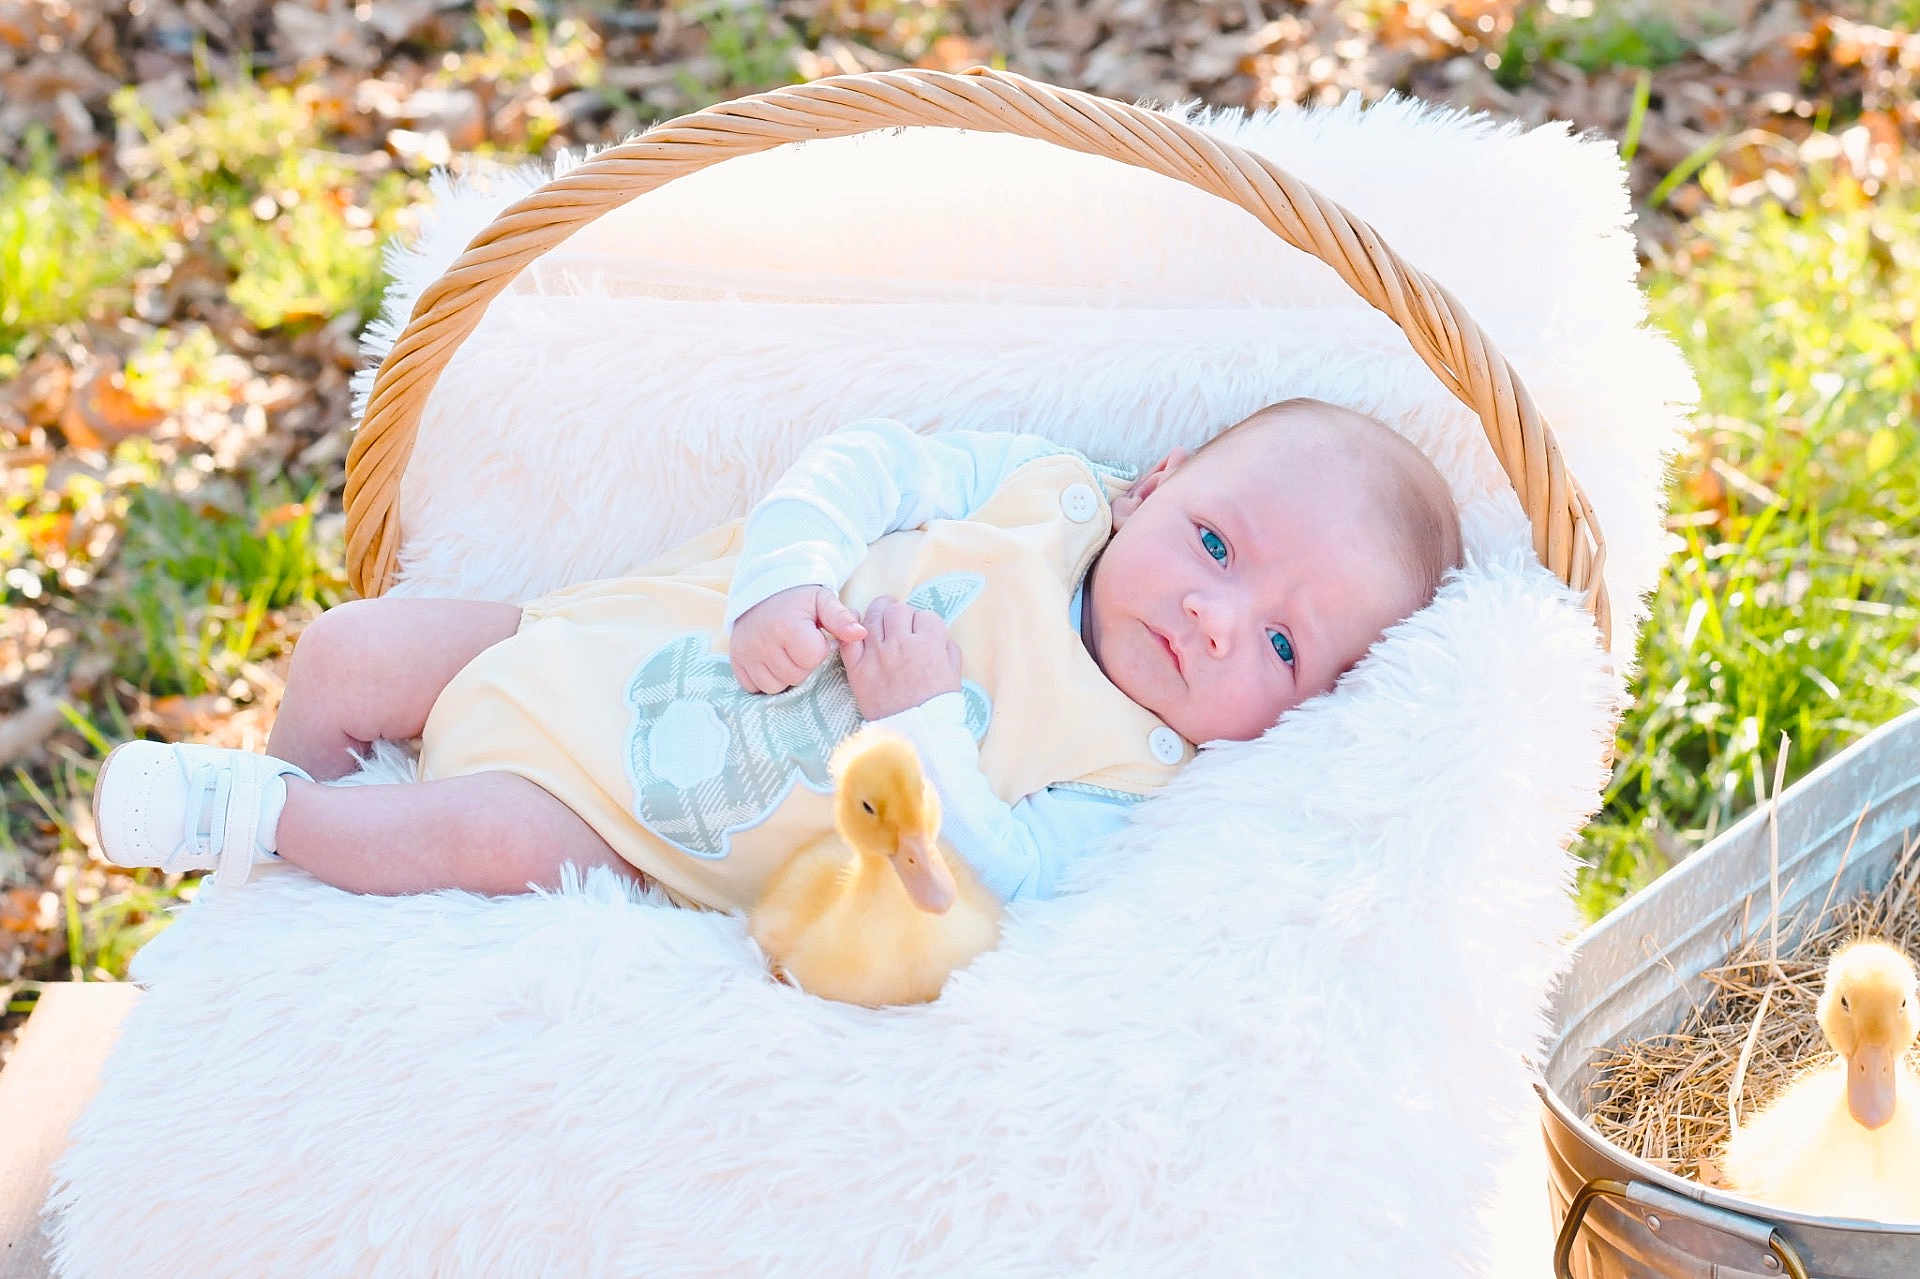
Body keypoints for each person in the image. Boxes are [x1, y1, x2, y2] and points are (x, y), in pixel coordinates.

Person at [91, 398, 1463, 908]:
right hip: (604, 645)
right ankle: (272, 909)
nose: (1218, 615)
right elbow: (865, 462)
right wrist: (786, 575)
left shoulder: (1131, 777)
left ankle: (272, 822)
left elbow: (1012, 881)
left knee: (481, 841)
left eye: (1281, 644)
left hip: (639, 824)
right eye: (1220, 545)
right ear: (1158, 481)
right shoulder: (1048, 494)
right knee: (350, 649)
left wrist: (924, 730)